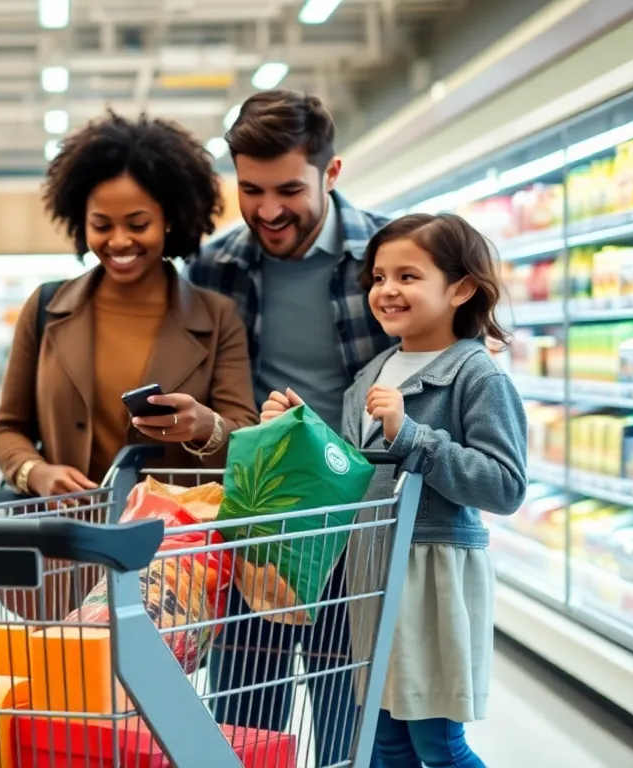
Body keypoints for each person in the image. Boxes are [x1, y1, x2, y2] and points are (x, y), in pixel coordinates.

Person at [261, 212, 527, 767]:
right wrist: (297, 429)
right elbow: (349, 474)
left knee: (439, 743)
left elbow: (504, 486)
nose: (386, 290)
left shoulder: (477, 375)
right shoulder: (372, 372)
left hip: (433, 573)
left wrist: (412, 437)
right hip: (371, 575)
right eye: (379, 277)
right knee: (383, 741)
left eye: (408, 276)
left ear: (461, 288)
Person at [186, 90, 395, 764]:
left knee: (349, 727)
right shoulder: (215, 268)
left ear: (331, 174)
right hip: (260, 529)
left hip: (359, 533)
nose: (268, 210)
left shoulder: (388, 260)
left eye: (288, 189)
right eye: (251, 190)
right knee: (242, 725)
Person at [0, 111, 259, 618]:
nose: (118, 242)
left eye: (138, 224)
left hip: (170, 562)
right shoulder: (47, 308)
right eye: (101, 225)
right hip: (67, 554)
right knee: (68, 689)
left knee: (149, 694)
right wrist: (36, 472)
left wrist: (204, 427)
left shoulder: (217, 317)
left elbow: (242, 431)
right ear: (79, 219)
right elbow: (8, 428)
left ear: (171, 218)